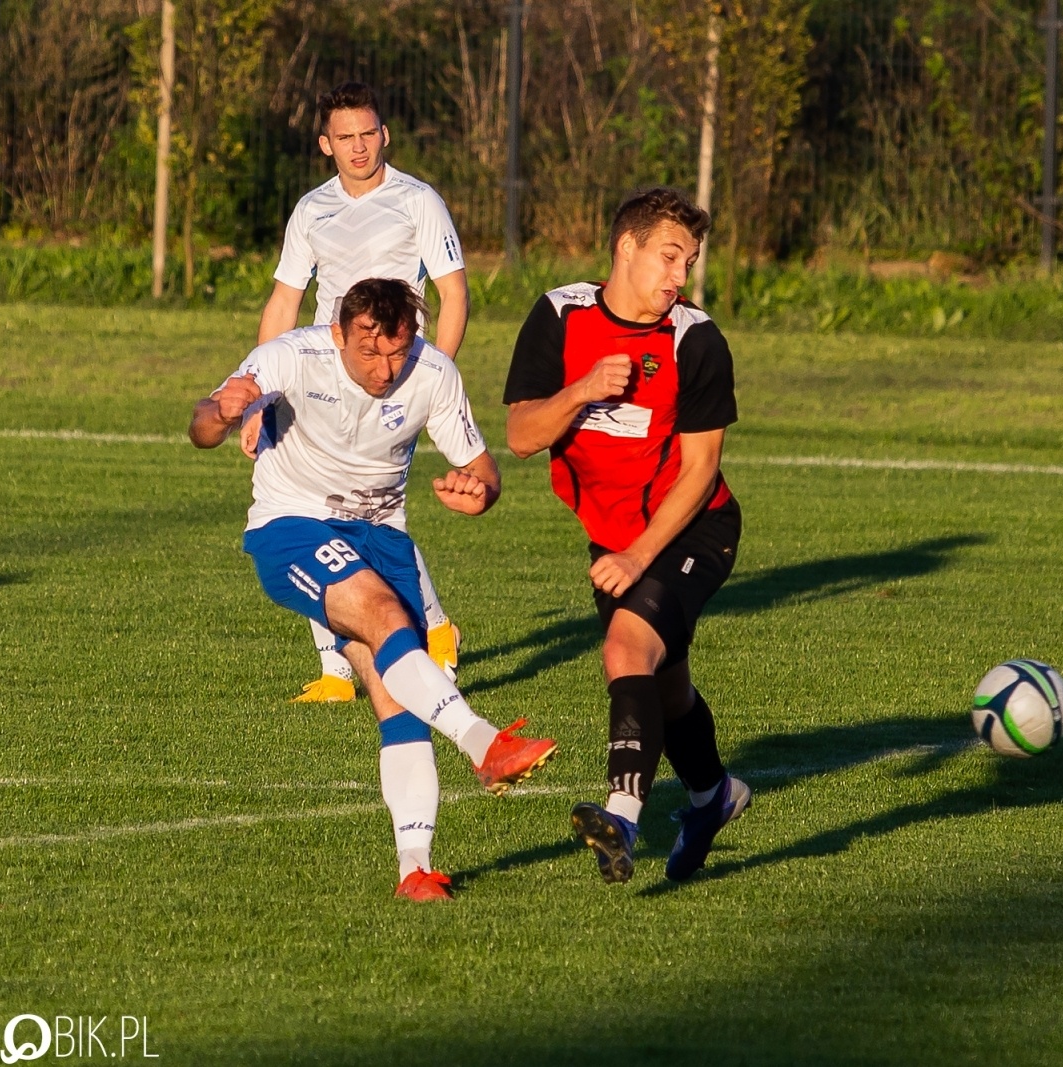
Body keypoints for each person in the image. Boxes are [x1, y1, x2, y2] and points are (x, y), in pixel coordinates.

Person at [191, 278, 556, 901]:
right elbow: (202, 426)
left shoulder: (432, 372)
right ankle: (485, 742)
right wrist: (222, 411)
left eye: (397, 351)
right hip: (292, 525)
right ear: (339, 333)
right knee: (387, 616)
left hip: (382, 537)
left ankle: (415, 870)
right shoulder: (292, 356)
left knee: (399, 700)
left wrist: (480, 493)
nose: (385, 368)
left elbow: (482, 466)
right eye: (369, 351)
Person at [502, 187, 750, 884]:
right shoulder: (560, 314)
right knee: (665, 692)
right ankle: (713, 797)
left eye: (690, 261)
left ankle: (622, 814)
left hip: (695, 526)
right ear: (627, 247)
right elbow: (522, 436)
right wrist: (580, 389)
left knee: (625, 645)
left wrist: (641, 554)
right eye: (670, 256)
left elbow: (701, 471)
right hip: (613, 540)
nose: (680, 276)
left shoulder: (694, 339)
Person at [254, 81, 471, 703]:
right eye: (344, 137)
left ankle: (431, 627)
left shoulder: (416, 201)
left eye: (367, 134)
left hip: (390, 375)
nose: (358, 147)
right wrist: (260, 391)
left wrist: (431, 379)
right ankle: (335, 671)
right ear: (325, 144)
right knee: (304, 507)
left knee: (373, 512)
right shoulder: (311, 209)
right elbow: (285, 301)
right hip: (322, 375)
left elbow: (454, 294)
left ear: (385, 135)